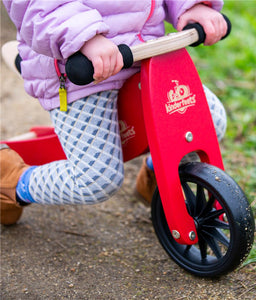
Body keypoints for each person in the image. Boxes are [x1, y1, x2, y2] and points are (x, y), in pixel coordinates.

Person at [1, 0, 227, 225]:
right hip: (83, 71)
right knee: (96, 179)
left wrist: (191, 5)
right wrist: (84, 35)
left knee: (209, 121)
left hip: (145, 54)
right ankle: (13, 182)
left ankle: (159, 176)